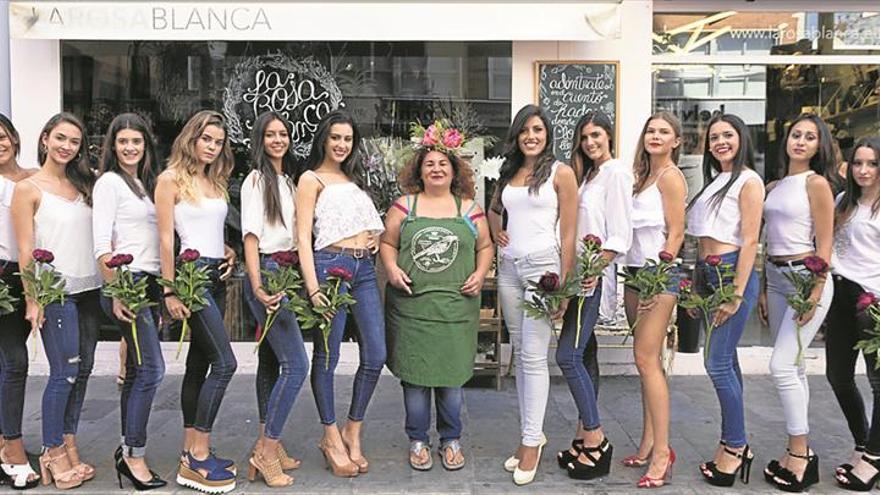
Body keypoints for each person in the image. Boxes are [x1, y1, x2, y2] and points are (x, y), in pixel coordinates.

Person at [381, 132, 493, 472]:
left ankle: (450, 439)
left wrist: (481, 273)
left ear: (454, 169)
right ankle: (417, 440)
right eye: (429, 163)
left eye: (443, 163)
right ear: (419, 170)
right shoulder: (404, 206)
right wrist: (392, 269)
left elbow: (485, 246)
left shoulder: (470, 209)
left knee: (451, 379)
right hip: (411, 309)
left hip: (456, 309)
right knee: (415, 378)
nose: (436, 168)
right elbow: (387, 242)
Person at [11, 112, 102, 490]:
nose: (67, 147)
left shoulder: (85, 185)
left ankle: (68, 442)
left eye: (75, 142)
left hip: (89, 291)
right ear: (45, 138)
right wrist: (33, 300)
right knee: (63, 373)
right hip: (56, 293)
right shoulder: (28, 188)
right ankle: (51, 450)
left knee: (82, 372)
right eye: (61, 138)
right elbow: (25, 250)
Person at [488, 104, 578, 486]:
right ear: (517, 135)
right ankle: (532, 434)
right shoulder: (509, 172)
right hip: (509, 267)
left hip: (544, 269)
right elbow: (494, 209)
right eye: (525, 130)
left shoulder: (561, 172)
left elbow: (570, 233)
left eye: (538, 130)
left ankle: (530, 443)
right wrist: (496, 233)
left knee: (532, 357)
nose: (531, 136)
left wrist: (566, 284)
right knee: (521, 354)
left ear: (547, 133)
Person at [296, 110, 385, 478]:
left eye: (347, 139)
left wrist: (374, 237)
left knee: (376, 353)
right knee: (327, 356)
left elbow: (364, 222)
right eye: (335, 137)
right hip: (328, 268)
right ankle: (330, 435)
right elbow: (302, 236)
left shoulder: (354, 178)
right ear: (324, 139)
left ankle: (353, 428)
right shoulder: (310, 178)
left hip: (364, 268)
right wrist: (313, 288)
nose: (341, 145)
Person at [154, 109, 238, 493]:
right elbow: (168, 239)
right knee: (225, 363)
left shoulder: (214, 180)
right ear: (191, 138)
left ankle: (191, 448)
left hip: (215, 273)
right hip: (189, 279)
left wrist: (226, 249)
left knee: (199, 365)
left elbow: (205, 228)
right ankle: (198, 456)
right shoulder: (170, 179)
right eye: (206, 139)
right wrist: (169, 289)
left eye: (218, 142)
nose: (212, 146)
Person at [756, 114, 835, 492]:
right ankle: (798, 452)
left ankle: (800, 454)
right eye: (796, 134)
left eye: (809, 137)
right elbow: (767, 239)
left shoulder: (816, 184)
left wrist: (817, 290)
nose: (800, 142)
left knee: (782, 366)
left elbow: (826, 242)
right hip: (775, 276)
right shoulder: (775, 185)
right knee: (796, 367)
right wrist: (762, 287)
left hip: (807, 276)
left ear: (820, 146)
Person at [686, 113, 764, 487]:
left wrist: (734, 293)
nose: (720, 142)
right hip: (708, 271)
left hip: (731, 272)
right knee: (726, 362)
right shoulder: (713, 181)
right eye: (714, 137)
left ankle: (736, 446)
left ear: (741, 138)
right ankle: (733, 441)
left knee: (716, 363)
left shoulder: (749, 180)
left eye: (727, 135)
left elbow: (750, 240)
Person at [92, 113, 168, 490]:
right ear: (113, 146)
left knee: (139, 371)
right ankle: (134, 456)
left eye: (136, 141)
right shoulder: (109, 183)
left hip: (149, 283)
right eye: (122, 142)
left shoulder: (146, 183)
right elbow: (102, 246)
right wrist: (116, 291)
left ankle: (128, 450)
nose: (129, 148)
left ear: (145, 145)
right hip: (128, 283)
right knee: (153, 369)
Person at [555, 111, 631, 481]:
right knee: (585, 355)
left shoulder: (615, 172)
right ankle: (584, 438)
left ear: (610, 136)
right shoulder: (589, 175)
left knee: (567, 355)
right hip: (578, 273)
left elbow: (619, 234)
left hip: (591, 275)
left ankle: (597, 439)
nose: (590, 143)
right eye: (584, 137)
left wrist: (592, 269)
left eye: (596, 135)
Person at [240, 111, 307, 487]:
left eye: (283, 133)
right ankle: (266, 452)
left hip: (286, 270)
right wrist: (258, 287)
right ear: (260, 140)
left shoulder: (287, 180)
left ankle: (267, 442)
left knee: (271, 363)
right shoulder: (256, 180)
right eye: (270, 134)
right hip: (267, 271)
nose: (278, 140)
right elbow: (251, 237)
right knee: (296, 365)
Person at [621, 111, 687, 488]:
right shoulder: (640, 177)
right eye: (651, 130)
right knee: (646, 360)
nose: (656, 136)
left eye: (664, 132)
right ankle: (648, 442)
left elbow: (676, 233)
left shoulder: (671, 177)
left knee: (647, 361)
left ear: (676, 141)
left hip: (657, 275)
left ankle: (662, 453)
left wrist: (657, 279)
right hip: (633, 272)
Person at [826, 137, 880, 491]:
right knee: (838, 376)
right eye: (858, 162)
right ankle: (864, 444)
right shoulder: (843, 200)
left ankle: (873, 460)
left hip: (873, 300)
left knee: (879, 383)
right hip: (840, 294)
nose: (863, 170)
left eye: (872, 163)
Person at [0, 113, 40, 490]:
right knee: (14, 361)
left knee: (9, 361)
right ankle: (12, 447)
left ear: (13, 137)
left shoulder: (33, 178)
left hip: (22, 274)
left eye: (2, 135)